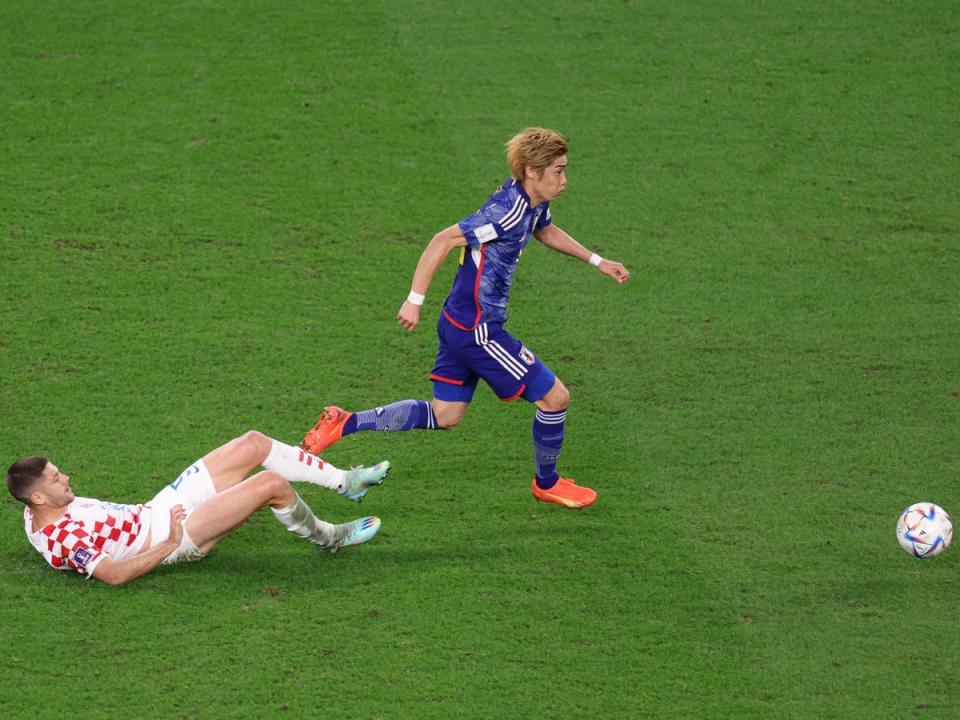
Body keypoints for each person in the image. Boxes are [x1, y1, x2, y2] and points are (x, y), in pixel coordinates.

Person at [302, 127, 629, 509]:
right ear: (530, 171)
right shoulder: (505, 212)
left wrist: (597, 261)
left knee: (445, 414)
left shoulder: (531, 202)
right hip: (479, 332)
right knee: (556, 398)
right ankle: (548, 482)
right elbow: (442, 240)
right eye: (557, 171)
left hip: (458, 322)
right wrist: (414, 299)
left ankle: (343, 422)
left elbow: (544, 229)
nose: (564, 180)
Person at [6, 430, 390, 585]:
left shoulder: (36, 508)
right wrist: (170, 541)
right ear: (38, 497)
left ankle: (346, 483)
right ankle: (330, 538)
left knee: (253, 443)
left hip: (159, 508)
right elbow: (113, 575)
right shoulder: (62, 540)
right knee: (271, 485)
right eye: (56, 480)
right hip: (175, 536)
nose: (66, 479)